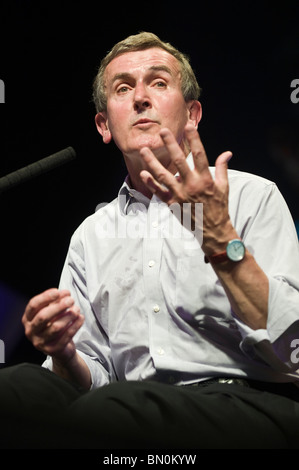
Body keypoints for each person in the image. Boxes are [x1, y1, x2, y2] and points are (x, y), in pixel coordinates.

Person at [1, 31, 299, 449]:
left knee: (110, 411)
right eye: (123, 88)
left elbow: (293, 350)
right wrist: (65, 353)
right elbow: (91, 378)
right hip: (128, 410)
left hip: (251, 405)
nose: (140, 97)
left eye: (158, 83)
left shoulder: (252, 196)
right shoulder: (92, 234)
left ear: (193, 114)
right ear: (104, 125)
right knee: (14, 391)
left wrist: (221, 240)